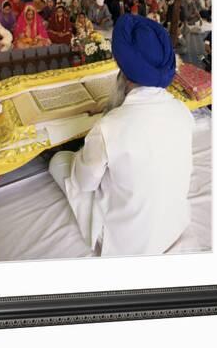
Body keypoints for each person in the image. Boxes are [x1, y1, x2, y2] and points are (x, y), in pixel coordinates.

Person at [48, 14, 195, 257]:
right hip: (174, 225)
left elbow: (85, 183)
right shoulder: (181, 111)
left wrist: (87, 155)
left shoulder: (109, 127)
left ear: (124, 75)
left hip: (130, 242)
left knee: (59, 162)